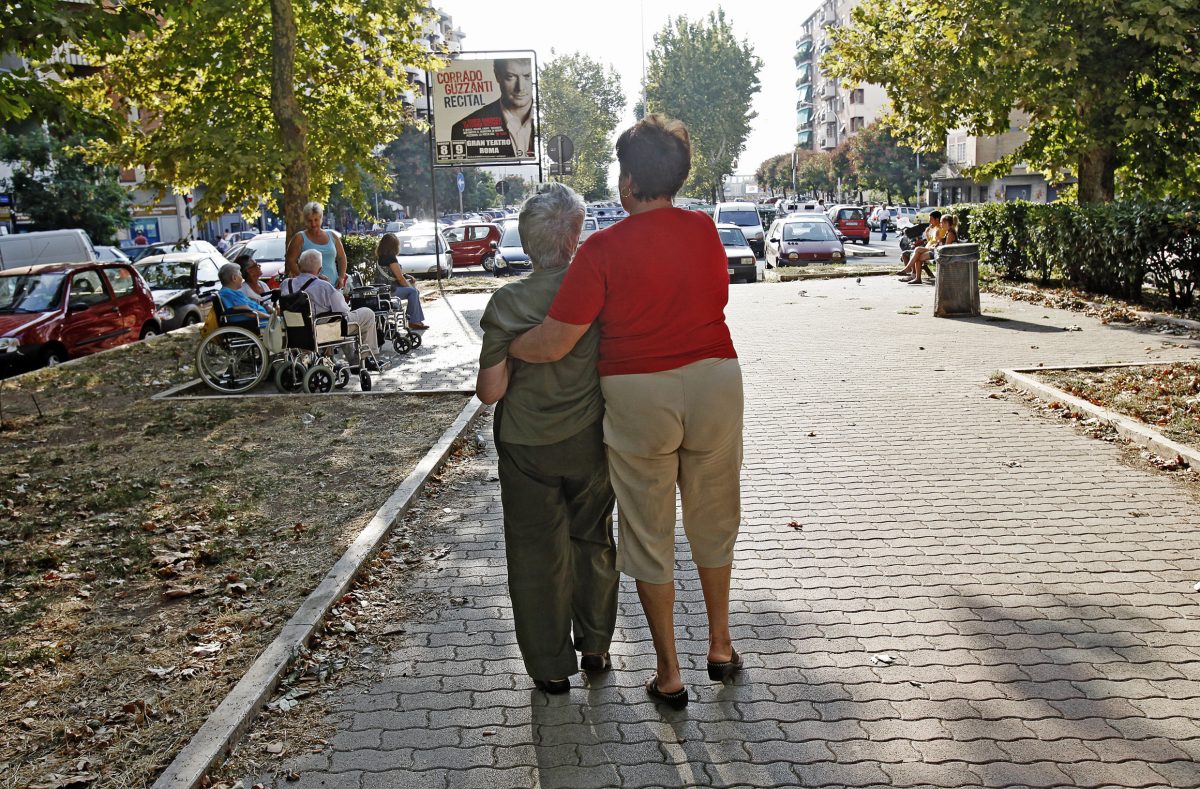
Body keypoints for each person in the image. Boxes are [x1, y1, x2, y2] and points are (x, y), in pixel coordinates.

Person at [509, 114, 744, 711]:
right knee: (714, 518)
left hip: (640, 393)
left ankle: (669, 673)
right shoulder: (705, 230)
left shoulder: (602, 249)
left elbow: (556, 341)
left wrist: (508, 347)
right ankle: (720, 646)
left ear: (630, 182)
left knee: (648, 528)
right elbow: (715, 298)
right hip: (716, 378)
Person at [475, 183, 618, 695]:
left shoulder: (506, 302)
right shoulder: (596, 290)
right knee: (593, 539)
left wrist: (512, 351)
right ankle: (596, 645)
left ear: (525, 240)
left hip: (526, 446)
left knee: (536, 553)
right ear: (575, 238)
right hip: (589, 440)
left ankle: (550, 666)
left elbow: (490, 393)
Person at [283, 249, 380, 369]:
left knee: (337, 320)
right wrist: (328, 284)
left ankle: (351, 361)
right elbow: (343, 310)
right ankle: (364, 358)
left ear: (299, 266)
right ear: (319, 269)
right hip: (321, 331)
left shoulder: (286, 284)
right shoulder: (324, 286)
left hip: (296, 331)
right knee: (367, 314)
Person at [450, 58, 535, 159]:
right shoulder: (462, 130)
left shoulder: (546, 117)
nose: (520, 87)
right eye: (510, 76)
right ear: (497, 76)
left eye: (527, 76)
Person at [285, 202, 349, 289]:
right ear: (305, 221)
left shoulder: (332, 236)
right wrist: (303, 279)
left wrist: (341, 277)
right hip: (310, 289)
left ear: (321, 219)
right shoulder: (299, 238)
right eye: (310, 221)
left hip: (333, 287)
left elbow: (342, 258)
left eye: (316, 220)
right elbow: (290, 261)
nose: (313, 224)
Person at [375, 233, 428, 330]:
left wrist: (407, 276)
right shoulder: (391, 258)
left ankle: (415, 320)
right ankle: (413, 321)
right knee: (413, 292)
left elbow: (393, 274)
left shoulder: (381, 258)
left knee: (414, 292)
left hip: (382, 290)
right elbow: (399, 278)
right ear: (394, 246)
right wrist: (410, 287)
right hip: (389, 290)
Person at [216, 263, 270, 328]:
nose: (242, 278)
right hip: (255, 324)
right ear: (234, 278)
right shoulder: (228, 294)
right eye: (240, 275)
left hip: (259, 321)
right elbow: (249, 313)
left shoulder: (232, 292)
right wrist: (269, 317)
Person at [898, 209, 943, 284]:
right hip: (928, 248)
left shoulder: (940, 229)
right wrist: (927, 233)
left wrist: (932, 244)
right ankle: (915, 276)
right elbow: (929, 241)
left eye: (931, 219)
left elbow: (938, 242)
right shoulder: (934, 228)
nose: (929, 221)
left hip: (933, 249)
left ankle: (909, 270)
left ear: (937, 219)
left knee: (917, 250)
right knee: (909, 253)